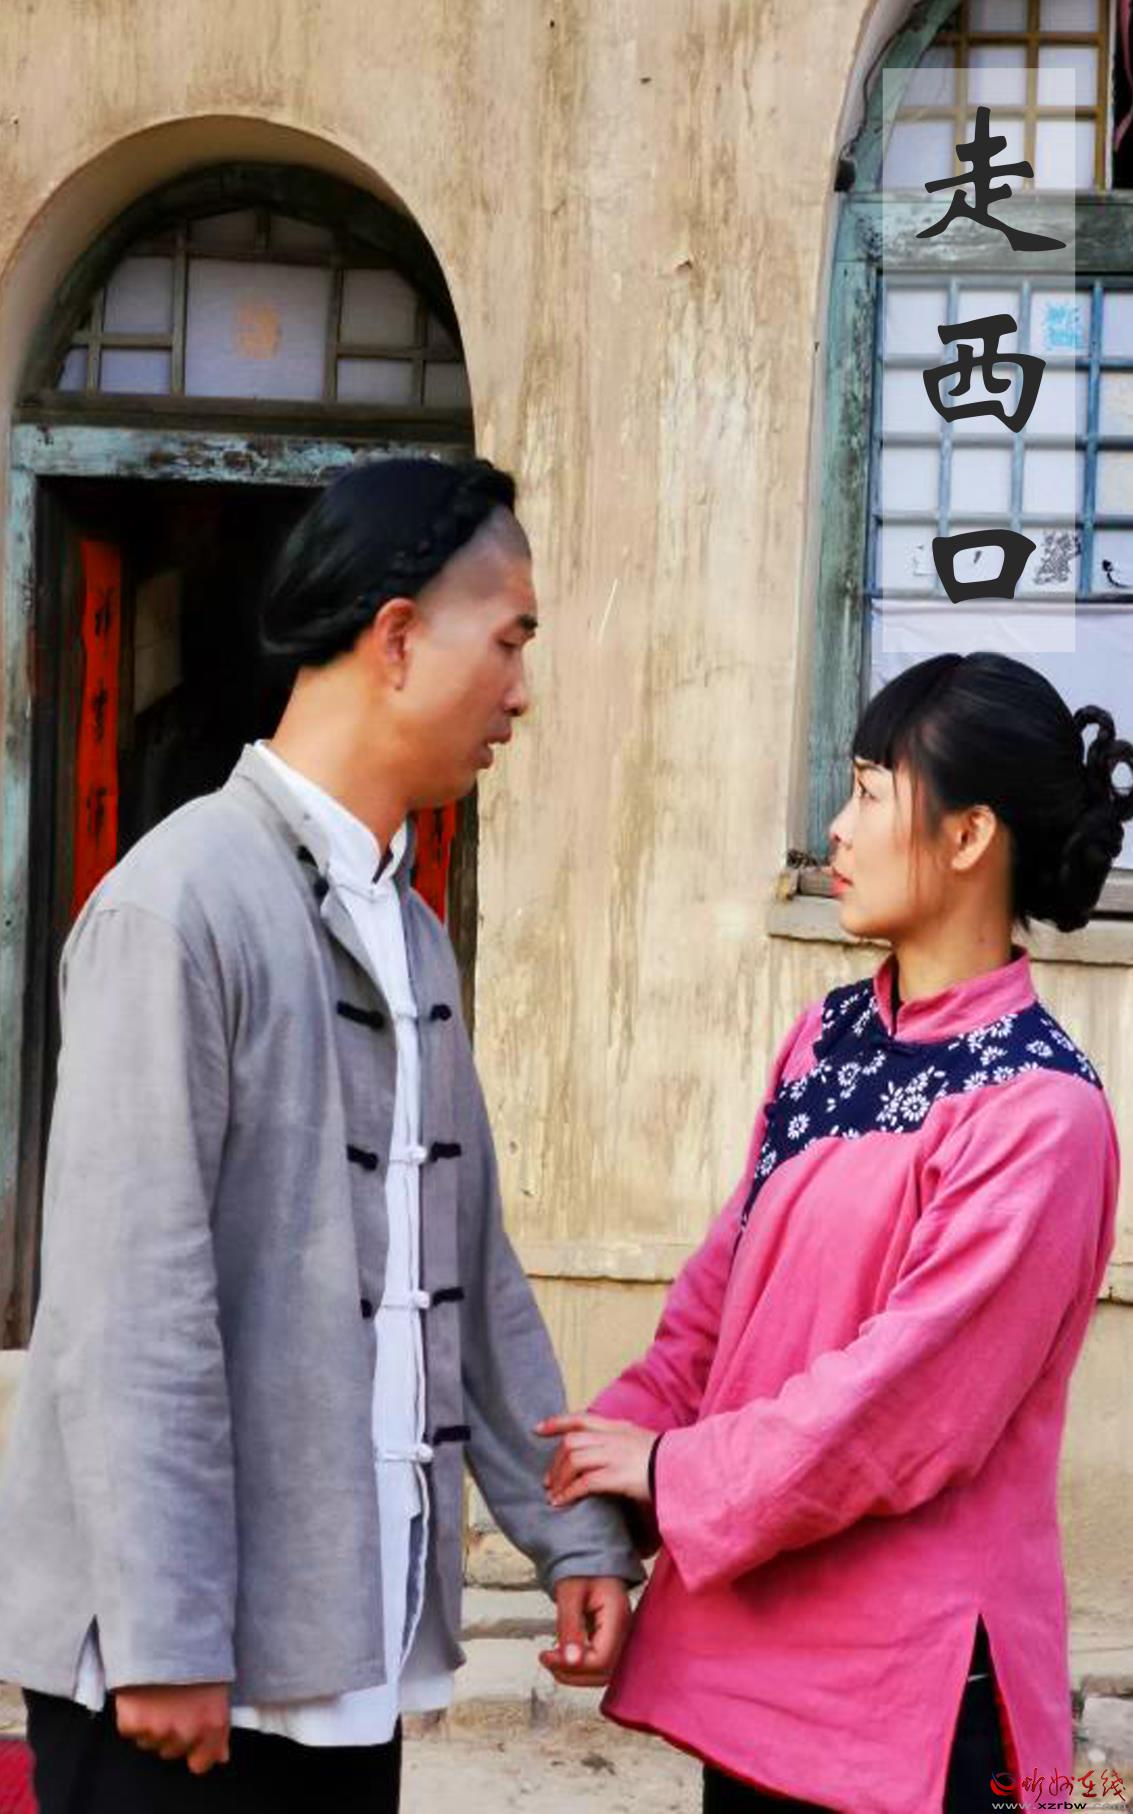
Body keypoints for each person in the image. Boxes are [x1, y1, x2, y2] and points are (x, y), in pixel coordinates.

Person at [0, 456, 641, 1814]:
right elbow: (130, 1302)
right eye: (508, 639)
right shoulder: (180, 904)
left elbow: (468, 1268)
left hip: (350, 1651)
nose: (521, 691)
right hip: (177, 1686)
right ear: (397, 637)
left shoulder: (411, 931)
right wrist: (166, 1632)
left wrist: (569, 1529)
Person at [539, 652, 1132, 1814]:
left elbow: (899, 1404)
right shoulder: (826, 1037)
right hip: (752, 1680)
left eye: (867, 791)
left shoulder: (1039, 1110)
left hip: (915, 1700)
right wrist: (607, 1511)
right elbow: (715, 1306)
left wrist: (667, 1470)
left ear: (966, 835)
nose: (836, 826)